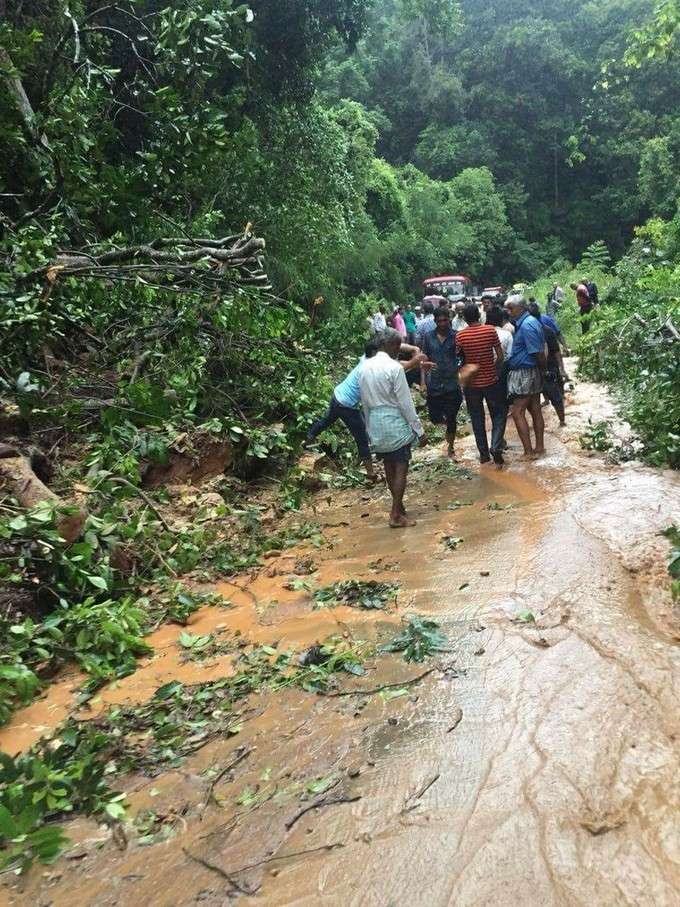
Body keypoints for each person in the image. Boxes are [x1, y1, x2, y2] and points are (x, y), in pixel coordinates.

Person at [359, 329, 427, 528]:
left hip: (375, 422)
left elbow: (364, 402)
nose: (399, 350)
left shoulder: (364, 367)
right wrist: (419, 431)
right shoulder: (394, 368)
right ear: (387, 345)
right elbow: (405, 403)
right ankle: (396, 513)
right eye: (397, 346)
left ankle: (399, 508)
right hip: (394, 420)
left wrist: (368, 428)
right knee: (401, 467)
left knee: (389, 465)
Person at [306, 339, 380, 481]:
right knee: (362, 437)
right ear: (374, 353)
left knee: (327, 420)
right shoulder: (367, 369)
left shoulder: (366, 360)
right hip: (346, 404)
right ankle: (370, 473)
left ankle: (308, 438)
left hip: (337, 395)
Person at [455, 302, 507, 466]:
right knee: (498, 415)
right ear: (479, 315)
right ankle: (496, 445)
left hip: (471, 385)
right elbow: (500, 356)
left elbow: (457, 360)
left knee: (477, 418)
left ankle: (484, 455)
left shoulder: (460, 336)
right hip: (491, 381)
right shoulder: (490, 330)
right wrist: (494, 369)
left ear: (464, 318)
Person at [505, 296, 546, 459]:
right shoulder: (528, 323)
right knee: (535, 408)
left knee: (517, 411)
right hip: (531, 370)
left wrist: (543, 371)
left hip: (525, 372)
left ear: (521, 308)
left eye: (511, 308)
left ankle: (528, 451)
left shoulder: (527, 325)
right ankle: (539, 448)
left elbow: (537, 352)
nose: (508, 312)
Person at [420, 307, 463, 459]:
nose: (443, 323)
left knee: (452, 417)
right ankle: (446, 427)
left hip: (452, 383)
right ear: (435, 321)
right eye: (440, 321)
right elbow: (424, 360)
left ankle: (451, 446)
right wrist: (423, 382)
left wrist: (460, 371)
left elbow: (462, 357)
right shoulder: (428, 337)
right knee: (434, 417)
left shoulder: (456, 336)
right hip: (434, 382)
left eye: (445, 320)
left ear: (449, 319)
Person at [528, 302, 567, 426]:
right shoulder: (545, 330)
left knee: (553, 395)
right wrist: (561, 368)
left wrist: (561, 368)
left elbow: (555, 351)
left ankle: (561, 419)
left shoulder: (542, 331)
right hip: (546, 368)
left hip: (545, 368)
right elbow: (557, 352)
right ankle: (562, 420)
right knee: (555, 396)